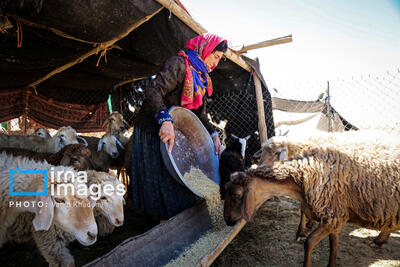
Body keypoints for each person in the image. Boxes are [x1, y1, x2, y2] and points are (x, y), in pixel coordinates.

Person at [131, 33, 228, 221]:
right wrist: (164, 119)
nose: (216, 63)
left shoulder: (201, 78)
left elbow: (200, 114)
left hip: (174, 131)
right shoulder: (179, 64)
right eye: (215, 56)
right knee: (158, 179)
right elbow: (153, 90)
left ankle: (174, 221)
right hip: (154, 128)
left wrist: (214, 134)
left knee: (175, 179)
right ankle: (156, 223)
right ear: (205, 49)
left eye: (219, 59)